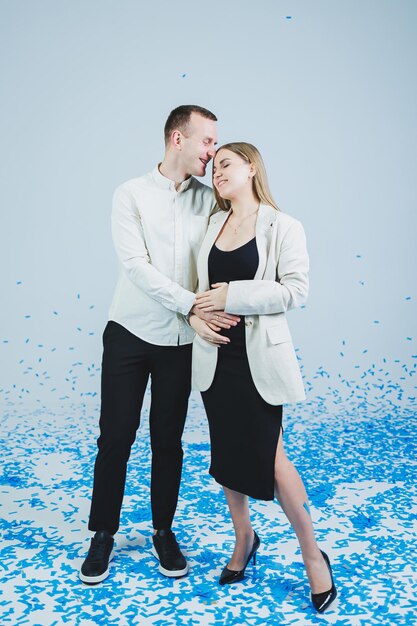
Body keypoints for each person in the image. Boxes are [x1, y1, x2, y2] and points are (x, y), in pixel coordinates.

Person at [79, 105, 239, 585]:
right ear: (177, 139)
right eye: (208, 142)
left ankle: (163, 531)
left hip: (180, 341)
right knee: (116, 438)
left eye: (215, 144)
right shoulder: (129, 194)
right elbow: (136, 266)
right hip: (128, 332)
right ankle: (102, 533)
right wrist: (193, 304)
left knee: (167, 441)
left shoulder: (211, 200)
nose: (213, 152)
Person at [189, 142, 337, 613]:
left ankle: (313, 556)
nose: (217, 173)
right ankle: (244, 538)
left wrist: (233, 294)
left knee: (273, 461)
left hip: (258, 363)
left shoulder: (283, 225)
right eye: (213, 169)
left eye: (226, 164)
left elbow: (295, 290)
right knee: (227, 454)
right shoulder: (210, 225)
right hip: (216, 357)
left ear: (252, 167)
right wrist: (198, 318)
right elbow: (196, 292)